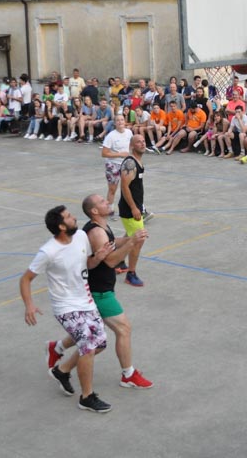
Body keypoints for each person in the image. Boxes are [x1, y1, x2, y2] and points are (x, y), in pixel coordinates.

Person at [46, 195, 153, 390]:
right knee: (122, 330)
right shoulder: (96, 232)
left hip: (100, 289)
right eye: (103, 202)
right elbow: (110, 261)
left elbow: (111, 242)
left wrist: (129, 239)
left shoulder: (101, 226)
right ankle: (128, 374)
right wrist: (131, 243)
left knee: (91, 338)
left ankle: (59, 355)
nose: (107, 202)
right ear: (94, 211)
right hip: (99, 292)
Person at [19, 206, 113, 413]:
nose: (74, 218)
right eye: (69, 217)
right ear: (61, 226)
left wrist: (98, 257)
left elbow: (86, 264)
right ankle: (87, 397)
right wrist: (29, 305)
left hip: (85, 301)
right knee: (88, 346)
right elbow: (26, 279)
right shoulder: (48, 251)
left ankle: (62, 370)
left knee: (100, 344)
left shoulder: (80, 236)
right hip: (66, 306)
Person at [118, 135, 149, 287]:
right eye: (138, 142)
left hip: (136, 206)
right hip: (130, 209)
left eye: (143, 141)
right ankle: (131, 274)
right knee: (138, 239)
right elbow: (124, 186)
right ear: (131, 146)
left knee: (129, 235)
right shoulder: (130, 163)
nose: (142, 144)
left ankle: (117, 260)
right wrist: (133, 208)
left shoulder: (138, 161)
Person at [101, 114, 134, 209]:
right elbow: (104, 153)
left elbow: (131, 145)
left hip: (126, 164)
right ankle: (109, 209)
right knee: (112, 189)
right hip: (113, 164)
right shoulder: (111, 136)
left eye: (122, 120)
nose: (120, 122)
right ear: (115, 123)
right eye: (118, 120)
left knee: (129, 187)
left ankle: (131, 208)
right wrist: (119, 154)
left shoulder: (129, 132)